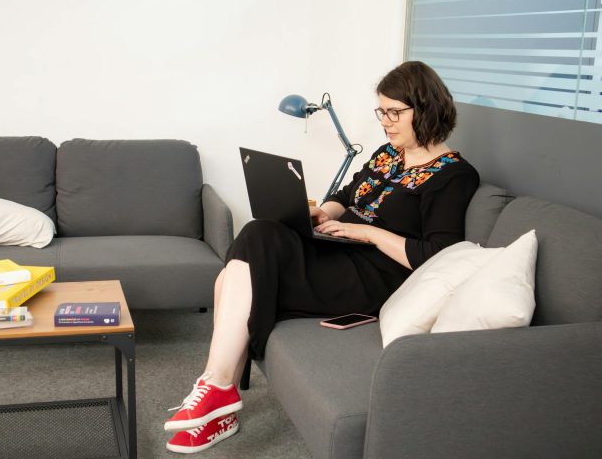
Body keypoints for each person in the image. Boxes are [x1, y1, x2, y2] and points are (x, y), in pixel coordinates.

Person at [163, 61, 480, 454]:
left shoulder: (455, 175)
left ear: (427, 108)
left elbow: (437, 256)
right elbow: (348, 196)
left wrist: (366, 232)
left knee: (241, 265)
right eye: (381, 111)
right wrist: (323, 213)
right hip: (341, 250)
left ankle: (217, 395)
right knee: (256, 240)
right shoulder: (388, 154)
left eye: (395, 112)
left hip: (377, 275)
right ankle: (217, 391)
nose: (386, 122)